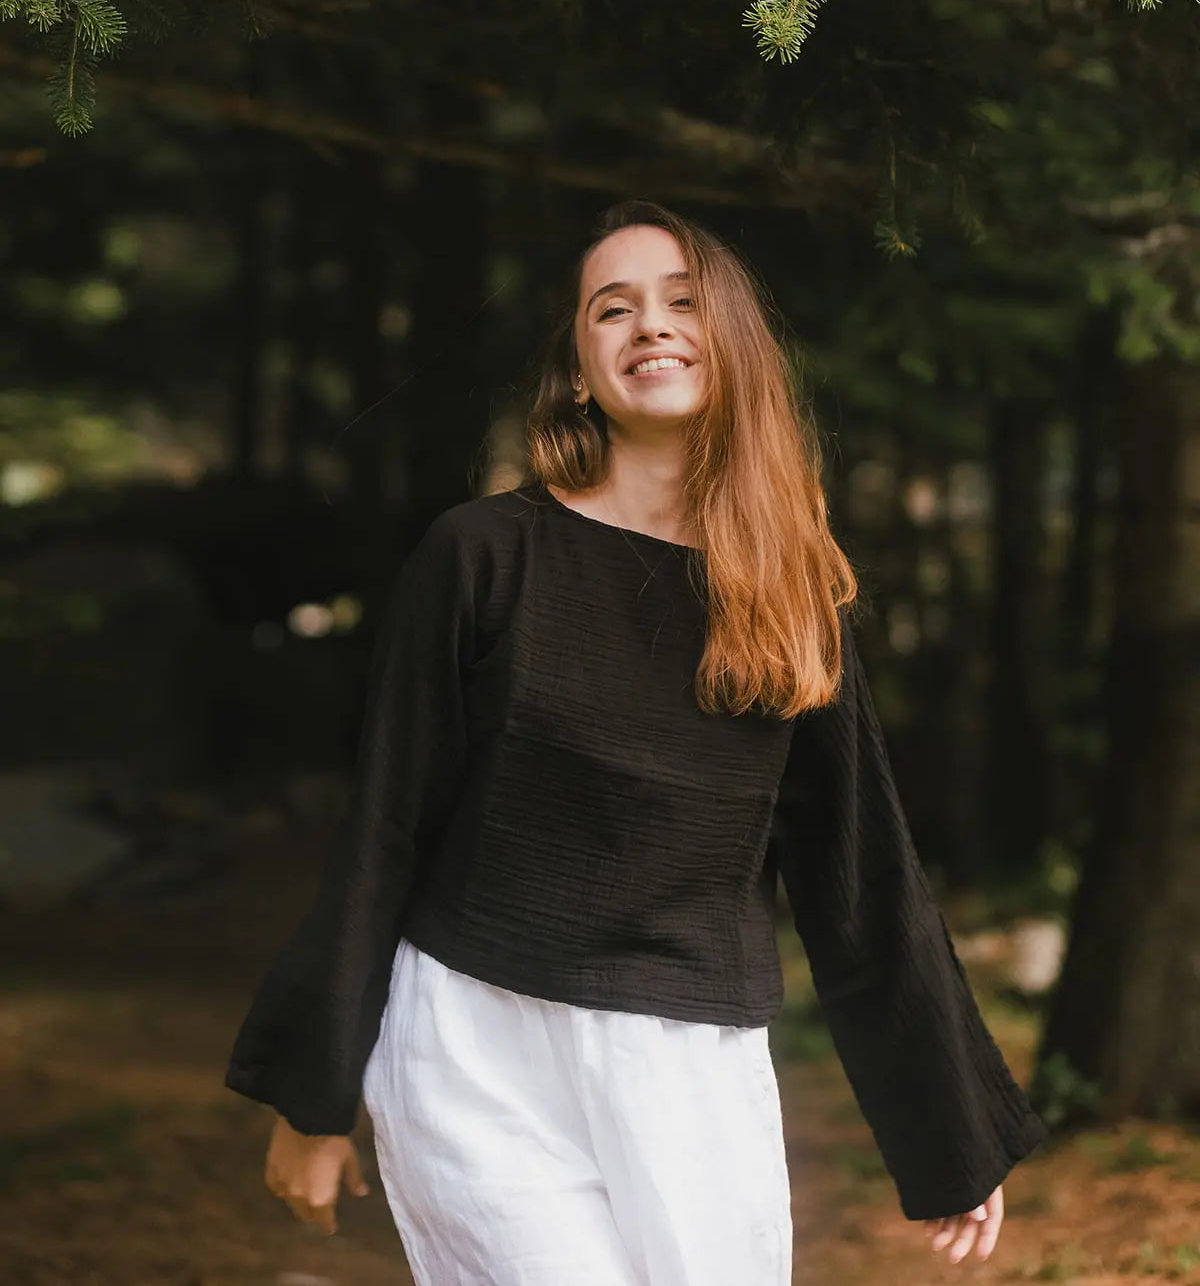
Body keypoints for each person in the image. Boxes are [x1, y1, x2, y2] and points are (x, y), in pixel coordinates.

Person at [226, 199, 1047, 1285]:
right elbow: (383, 830)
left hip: (689, 1061)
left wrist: (955, 1133)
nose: (649, 326)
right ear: (578, 369)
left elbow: (862, 875)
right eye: (613, 309)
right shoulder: (481, 558)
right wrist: (314, 1096)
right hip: (476, 1037)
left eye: (682, 302)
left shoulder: (793, 594)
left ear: (735, 348)